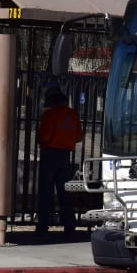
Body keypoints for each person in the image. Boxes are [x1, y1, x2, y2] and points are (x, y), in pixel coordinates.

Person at [36, 87, 83, 235]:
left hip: (49, 154)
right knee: (65, 193)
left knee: (46, 193)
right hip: (65, 156)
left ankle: (43, 226)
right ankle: (69, 225)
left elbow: (44, 137)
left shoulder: (49, 115)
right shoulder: (73, 115)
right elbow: (78, 137)